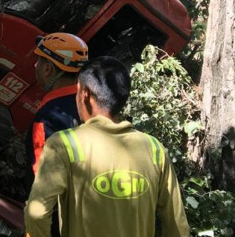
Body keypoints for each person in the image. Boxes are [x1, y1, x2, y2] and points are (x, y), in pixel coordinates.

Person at [24, 56, 190, 237]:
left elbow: (37, 214)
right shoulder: (154, 149)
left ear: (85, 95)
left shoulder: (63, 144)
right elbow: (177, 227)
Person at [27, 33, 88, 174]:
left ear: (48, 69)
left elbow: (41, 176)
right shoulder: (89, 103)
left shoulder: (46, 118)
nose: (35, 65)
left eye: (39, 60)